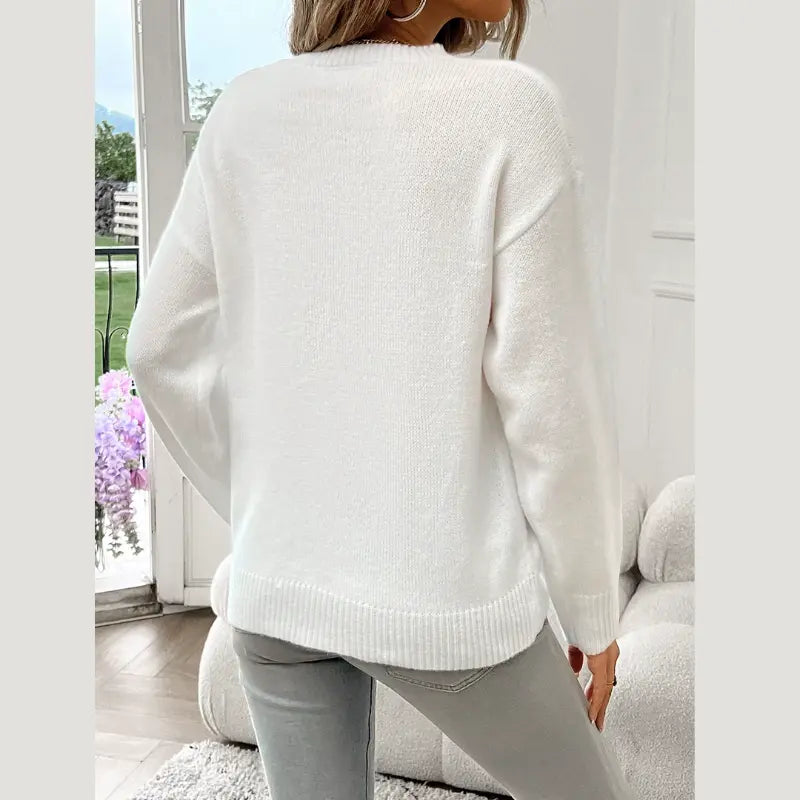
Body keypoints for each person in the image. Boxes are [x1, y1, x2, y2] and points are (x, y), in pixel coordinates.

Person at [126, 1, 633, 798]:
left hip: (276, 593)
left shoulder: (243, 111)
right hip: (445, 600)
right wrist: (593, 612)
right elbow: (554, 405)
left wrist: (267, 507)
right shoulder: (508, 110)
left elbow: (155, 348)